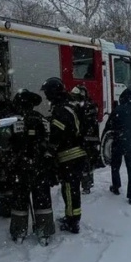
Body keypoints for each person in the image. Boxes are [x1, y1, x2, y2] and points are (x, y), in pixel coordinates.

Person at [8, 88, 56, 245]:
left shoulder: (15, 121)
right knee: (42, 199)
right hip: (40, 167)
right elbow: (49, 143)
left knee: (20, 200)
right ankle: (44, 231)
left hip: (20, 169)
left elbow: (8, 144)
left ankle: (19, 231)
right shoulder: (43, 120)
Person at [40, 77, 87, 234]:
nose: (46, 96)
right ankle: (71, 217)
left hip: (70, 156)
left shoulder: (61, 109)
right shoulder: (67, 106)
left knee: (69, 189)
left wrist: (49, 152)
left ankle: (73, 222)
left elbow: (57, 135)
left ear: (53, 92)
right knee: (71, 189)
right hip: (75, 154)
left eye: (47, 93)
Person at [70, 84, 102, 194]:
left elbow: (84, 122)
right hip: (86, 139)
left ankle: (86, 185)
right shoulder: (85, 106)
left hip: (87, 139)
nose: (74, 98)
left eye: (76, 96)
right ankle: (86, 183)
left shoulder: (88, 107)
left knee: (86, 162)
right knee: (85, 162)